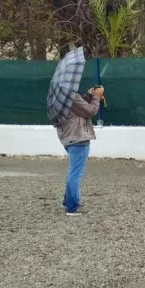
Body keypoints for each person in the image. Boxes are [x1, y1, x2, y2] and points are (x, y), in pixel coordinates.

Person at [56, 85, 104, 216]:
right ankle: (72, 207)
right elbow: (90, 111)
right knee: (75, 173)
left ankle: (68, 201)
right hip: (78, 138)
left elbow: (78, 107)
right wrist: (96, 97)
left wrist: (88, 95)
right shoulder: (72, 96)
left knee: (73, 171)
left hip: (68, 137)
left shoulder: (61, 97)